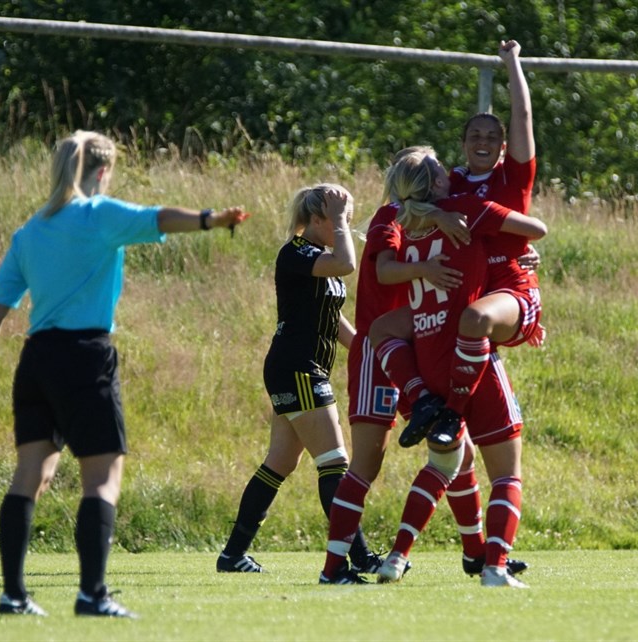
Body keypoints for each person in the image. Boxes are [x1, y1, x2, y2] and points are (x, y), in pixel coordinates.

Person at [0, 130, 250, 618]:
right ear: (102, 171)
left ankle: (13, 595)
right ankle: (92, 595)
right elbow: (159, 217)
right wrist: (211, 219)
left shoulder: (30, 231)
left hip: (37, 360)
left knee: (29, 475)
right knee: (102, 478)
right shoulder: (99, 214)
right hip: (85, 357)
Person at [374, 39, 544, 578]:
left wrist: (512, 65)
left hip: (509, 294)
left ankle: (448, 409)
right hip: (459, 311)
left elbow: (522, 119)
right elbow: (409, 203)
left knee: (475, 321)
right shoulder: (447, 187)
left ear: (502, 146)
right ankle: (424, 400)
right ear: (463, 144)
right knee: (382, 329)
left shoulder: (508, 179)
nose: (484, 141)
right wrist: (433, 219)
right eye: (475, 135)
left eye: (492, 136)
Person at [319, 147, 481, 584]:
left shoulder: (434, 217)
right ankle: (333, 569)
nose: (446, 176)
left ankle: (476, 555)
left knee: (459, 452)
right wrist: (426, 268)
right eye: (436, 170)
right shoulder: (391, 216)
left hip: (417, 347)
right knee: (366, 464)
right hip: (380, 352)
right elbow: (385, 271)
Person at [216, 183, 380, 584]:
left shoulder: (320, 258)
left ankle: (233, 554)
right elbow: (347, 264)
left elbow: (333, 318)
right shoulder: (297, 252)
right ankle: (358, 556)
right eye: (338, 218)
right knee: (334, 462)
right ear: (318, 219)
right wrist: (340, 220)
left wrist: (370, 352)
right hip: (298, 369)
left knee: (280, 462)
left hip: (301, 369)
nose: (344, 225)